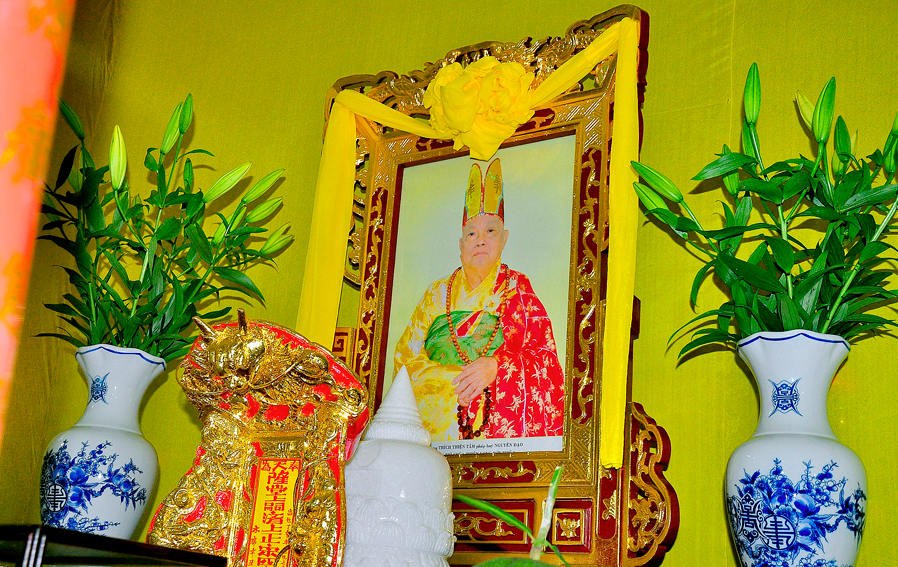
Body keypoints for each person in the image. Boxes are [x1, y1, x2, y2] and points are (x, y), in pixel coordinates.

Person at [393, 159, 565, 442]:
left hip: (492, 425)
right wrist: (454, 380)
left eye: (490, 231)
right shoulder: (436, 294)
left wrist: (497, 367)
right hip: (432, 427)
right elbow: (405, 361)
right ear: (461, 245)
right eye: (471, 233)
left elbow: (545, 360)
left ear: (504, 239)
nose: (480, 240)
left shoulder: (517, 289)